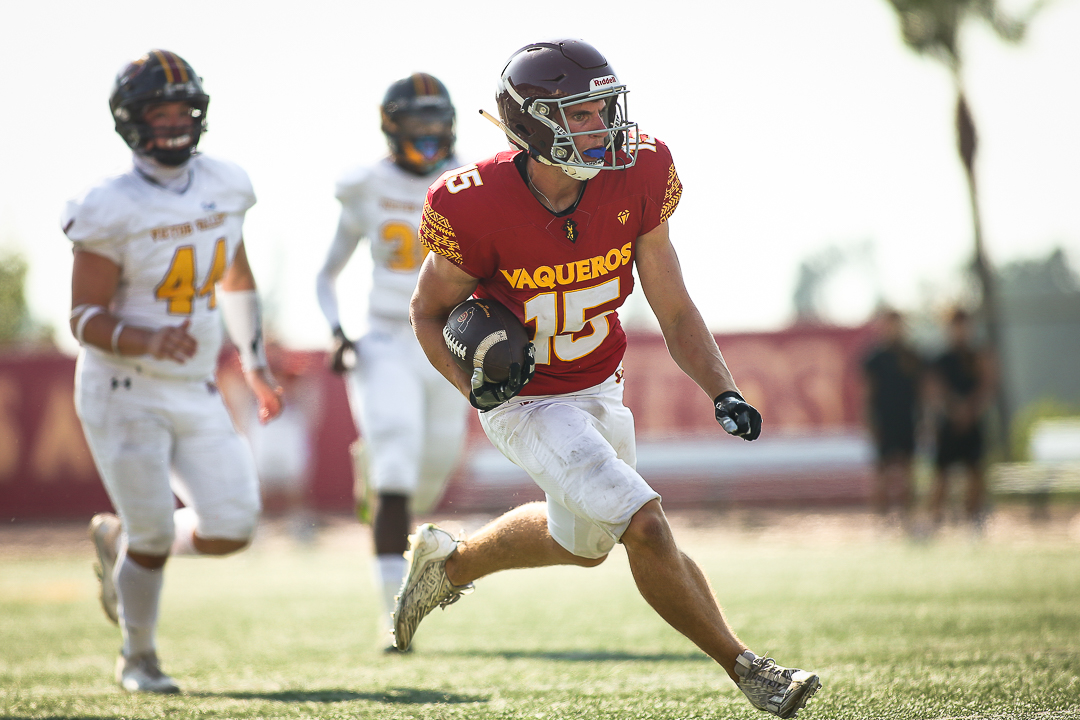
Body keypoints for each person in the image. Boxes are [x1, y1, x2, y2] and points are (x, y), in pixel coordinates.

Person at [400, 39, 821, 718]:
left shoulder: (642, 170)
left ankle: (446, 569)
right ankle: (750, 670)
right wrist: (477, 392)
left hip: (599, 386)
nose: (604, 127)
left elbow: (674, 306)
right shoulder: (471, 202)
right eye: (583, 114)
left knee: (585, 545)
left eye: (604, 110)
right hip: (527, 399)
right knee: (643, 523)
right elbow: (426, 314)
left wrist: (723, 388)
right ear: (534, 125)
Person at [62, 49, 283, 694]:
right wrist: (146, 338)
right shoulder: (110, 204)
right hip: (122, 388)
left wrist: (255, 361)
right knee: (156, 529)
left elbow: (237, 277)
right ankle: (139, 659)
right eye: (159, 113)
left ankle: (123, 543)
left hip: (194, 386)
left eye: (184, 110)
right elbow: (81, 317)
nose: (175, 124)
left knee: (234, 526)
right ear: (131, 121)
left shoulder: (226, 182)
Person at [315, 73, 470, 651]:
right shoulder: (365, 185)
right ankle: (393, 621)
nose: (429, 136)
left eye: (438, 125)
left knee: (432, 472)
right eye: (418, 126)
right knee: (400, 465)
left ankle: (374, 480)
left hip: (446, 339)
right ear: (391, 127)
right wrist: (336, 332)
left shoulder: (469, 181)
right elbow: (326, 272)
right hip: (383, 336)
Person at [928, 307, 997, 528]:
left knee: (975, 472)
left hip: (973, 422)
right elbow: (934, 390)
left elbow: (987, 385)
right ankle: (935, 519)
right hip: (948, 424)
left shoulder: (978, 356)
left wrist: (971, 410)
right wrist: (953, 409)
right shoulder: (941, 359)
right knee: (941, 474)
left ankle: (973, 519)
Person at [862, 308, 924, 522]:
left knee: (908, 471)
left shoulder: (911, 356)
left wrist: (924, 420)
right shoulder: (875, 358)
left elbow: (921, 391)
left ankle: (908, 517)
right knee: (882, 472)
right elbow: (867, 394)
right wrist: (869, 422)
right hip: (884, 420)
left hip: (906, 419)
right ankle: (881, 520)